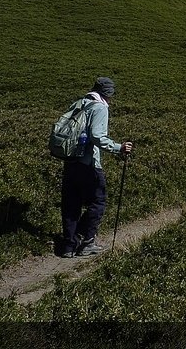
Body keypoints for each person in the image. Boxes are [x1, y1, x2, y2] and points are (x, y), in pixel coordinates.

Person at [60, 77, 133, 258]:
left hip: (70, 161)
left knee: (71, 204)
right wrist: (119, 148)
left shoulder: (79, 103)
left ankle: (69, 246)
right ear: (108, 94)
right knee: (97, 202)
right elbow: (97, 136)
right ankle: (87, 241)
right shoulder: (100, 107)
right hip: (89, 164)